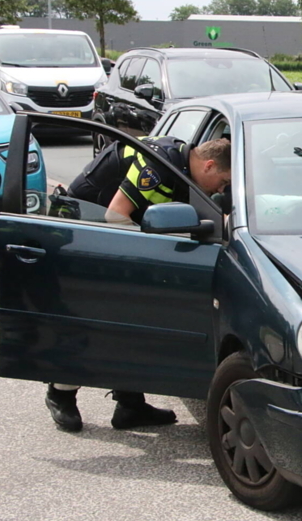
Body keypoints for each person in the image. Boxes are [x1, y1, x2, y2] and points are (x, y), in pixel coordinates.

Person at [44, 136, 232, 432]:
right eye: (222, 182)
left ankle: (130, 405)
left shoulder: (185, 166)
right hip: (82, 232)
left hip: (109, 236)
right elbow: (115, 214)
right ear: (209, 165)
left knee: (132, 318)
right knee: (93, 320)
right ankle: (61, 393)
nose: (221, 190)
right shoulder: (160, 166)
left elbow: (203, 211)